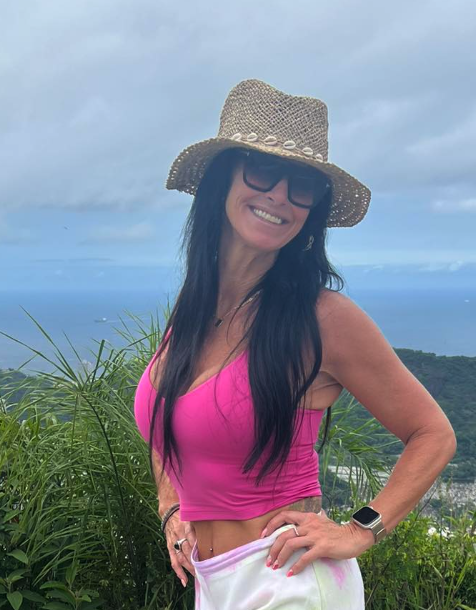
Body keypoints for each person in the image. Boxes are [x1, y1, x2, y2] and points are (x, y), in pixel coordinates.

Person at [133, 79, 457, 608]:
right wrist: (172, 505)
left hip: (289, 581)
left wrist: (360, 530)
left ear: (312, 212)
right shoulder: (195, 312)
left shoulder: (321, 319)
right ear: (222, 180)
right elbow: (163, 419)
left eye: (301, 184)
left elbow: (433, 434)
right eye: (262, 171)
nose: (279, 196)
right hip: (217, 581)